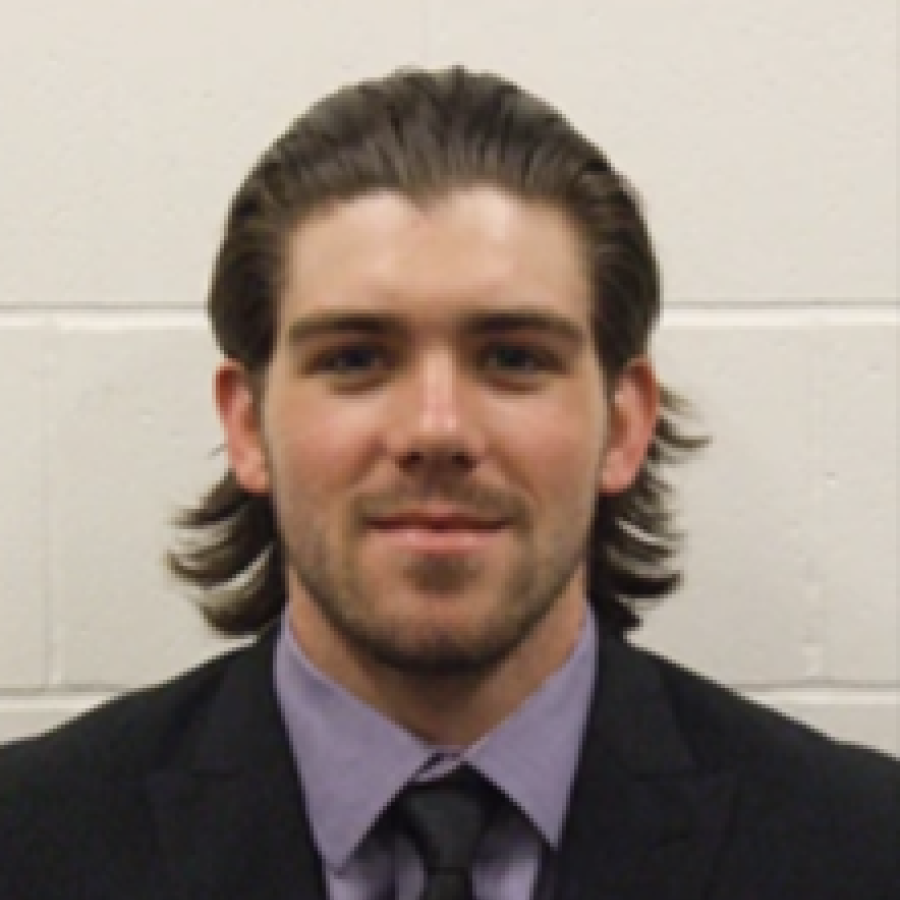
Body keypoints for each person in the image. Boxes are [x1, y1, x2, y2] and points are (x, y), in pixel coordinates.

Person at [0, 67, 896, 900]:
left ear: (624, 426)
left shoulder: (862, 849)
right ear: (247, 425)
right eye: (355, 359)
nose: (437, 430)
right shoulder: (31, 843)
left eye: (514, 358)